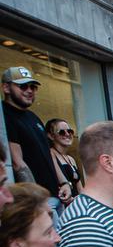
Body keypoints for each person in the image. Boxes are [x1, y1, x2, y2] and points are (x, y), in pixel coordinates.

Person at [2, 67, 70, 200]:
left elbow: (48, 154)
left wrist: (64, 182)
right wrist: (35, 198)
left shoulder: (33, 116)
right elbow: (17, 163)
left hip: (54, 195)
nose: (29, 90)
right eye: (23, 86)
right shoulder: (5, 115)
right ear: (6, 88)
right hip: (36, 199)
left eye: (33, 87)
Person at [45, 118, 82, 206]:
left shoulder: (71, 159)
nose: (67, 134)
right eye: (61, 132)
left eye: (69, 131)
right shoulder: (50, 154)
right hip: (61, 206)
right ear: (51, 136)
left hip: (76, 205)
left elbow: (80, 188)